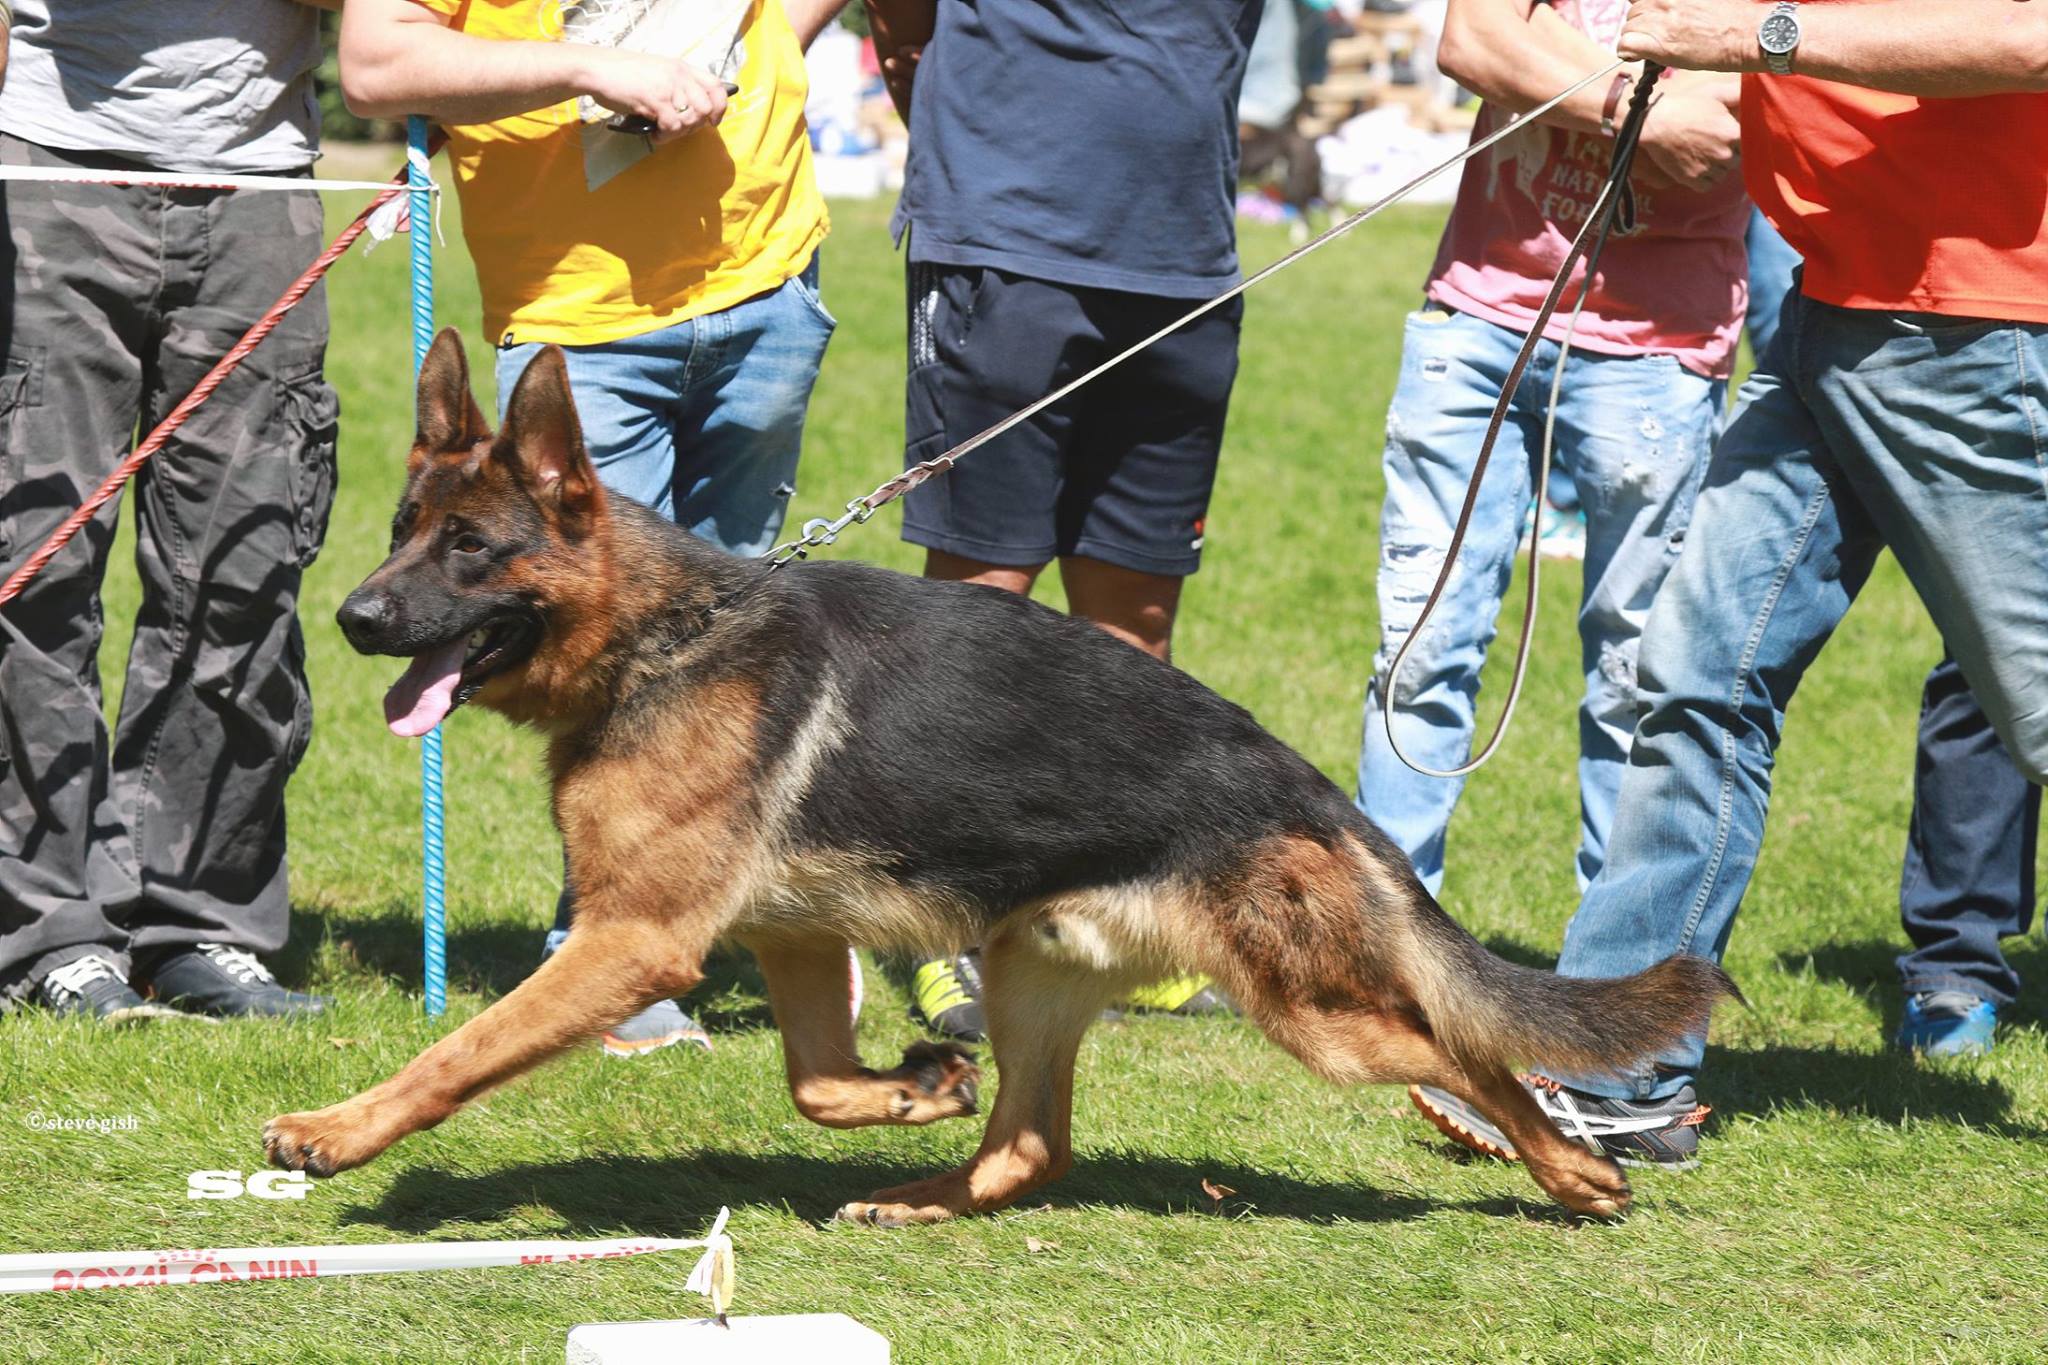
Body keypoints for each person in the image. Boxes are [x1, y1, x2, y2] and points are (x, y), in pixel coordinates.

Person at [1413, 0, 2048, 1168]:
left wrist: (1758, 38)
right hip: (1828, 309)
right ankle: (1613, 1070)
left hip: (1974, 325)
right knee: (1691, 681)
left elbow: (2025, 37)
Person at [340, 0, 846, 1055]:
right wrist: (605, 71)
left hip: (765, 282)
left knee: (737, 660)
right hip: (579, 313)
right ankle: (610, 955)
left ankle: (748, 915)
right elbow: (378, 64)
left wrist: (737, 56)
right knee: (602, 658)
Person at [864, 0, 1261, 1039]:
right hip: (1003, 240)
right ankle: (938, 927)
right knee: (976, 620)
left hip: (1185, 263)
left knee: (1132, 630)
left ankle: (1110, 922)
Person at [1355, 0, 1747, 900]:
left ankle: (1606, 987)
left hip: (1659, 344)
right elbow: (1474, 39)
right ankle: (1387, 960)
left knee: (1636, 677)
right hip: (1481, 316)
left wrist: (1551, 60)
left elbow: (1730, 120)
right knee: (1419, 647)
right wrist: (1631, 100)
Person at [0, 0, 340, 1020]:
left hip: (259, 185)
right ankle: (47, 932)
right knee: (35, 569)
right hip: (48, 171)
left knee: (242, 572)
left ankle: (197, 925)